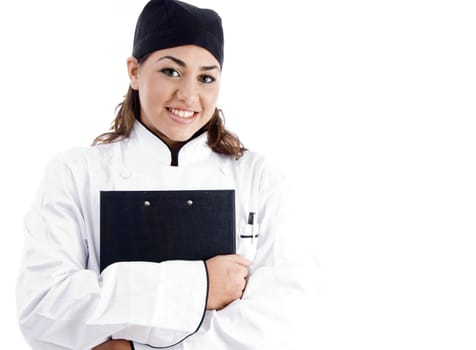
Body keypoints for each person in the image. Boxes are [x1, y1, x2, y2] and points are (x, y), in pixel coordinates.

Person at [16, 1, 317, 349]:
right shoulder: (75, 172)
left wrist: (132, 346)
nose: (189, 95)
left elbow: (286, 315)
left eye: (206, 77)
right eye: (171, 71)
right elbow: (44, 307)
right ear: (134, 71)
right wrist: (202, 284)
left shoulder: (261, 179)